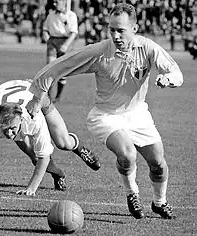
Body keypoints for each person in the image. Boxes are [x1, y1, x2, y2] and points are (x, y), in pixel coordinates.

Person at [26, 3, 183, 219]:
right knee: (127, 155)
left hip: (137, 114)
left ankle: (159, 202)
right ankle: (132, 194)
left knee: (158, 163)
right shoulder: (99, 51)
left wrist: (169, 79)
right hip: (105, 116)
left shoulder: (148, 48)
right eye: (112, 30)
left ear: (134, 29)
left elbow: (176, 73)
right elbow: (57, 66)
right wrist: (37, 96)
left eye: (121, 30)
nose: (116, 35)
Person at [0, 79, 100, 196]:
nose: (8, 134)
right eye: (5, 129)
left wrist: (31, 189)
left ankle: (79, 148)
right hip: (11, 97)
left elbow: (44, 155)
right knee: (34, 156)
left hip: (37, 97)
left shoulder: (34, 118)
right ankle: (58, 174)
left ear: (21, 120)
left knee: (62, 142)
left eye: (12, 129)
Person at [42, 0, 78, 102]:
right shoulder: (51, 15)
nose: (54, 4)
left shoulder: (71, 15)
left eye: (56, 2)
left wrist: (66, 45)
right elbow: (45, 28)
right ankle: (48, 96)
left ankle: (57, 97)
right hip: (52, 42)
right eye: (54, 2)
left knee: (62, 71)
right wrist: (46, 36)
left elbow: (74, 33)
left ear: (64, 2)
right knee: (50, 68)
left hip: (65, 41)